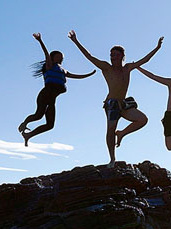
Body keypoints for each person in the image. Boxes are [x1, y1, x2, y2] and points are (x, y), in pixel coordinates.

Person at [68, 30, 163, 167]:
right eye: (111, 55)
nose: (113, 57)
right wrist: (76, 41)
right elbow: (89, 56)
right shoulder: (106, 67)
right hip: (112, 104)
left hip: (123, 104)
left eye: (116, 55)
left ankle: (122, 133)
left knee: (143, 119)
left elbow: (145, 60)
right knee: (110, 130)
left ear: (122, 56)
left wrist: (157, 47)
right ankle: (112, 159)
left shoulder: (128, 68)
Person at [18, 33, 95, 146]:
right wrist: (40, 40)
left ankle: (28, 135)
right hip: (45, 94)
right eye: (58, 55)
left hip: (52, 99)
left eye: (61, 56)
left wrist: (90, 74)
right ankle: (24, 124)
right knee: (38, 115)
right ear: (53, 57)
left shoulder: (63, 70)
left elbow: (76, 76)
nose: (60, 57)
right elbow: (46, 53)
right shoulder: (49, 65)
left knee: (50, 125)